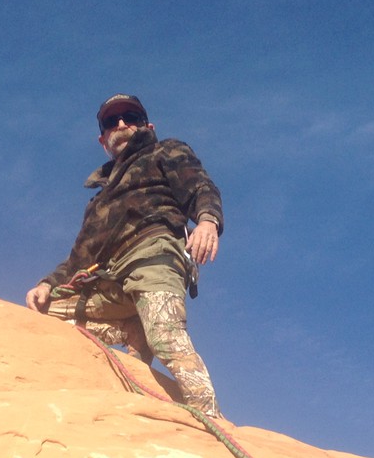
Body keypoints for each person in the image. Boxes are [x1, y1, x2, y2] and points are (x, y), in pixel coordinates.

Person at [25, 93, 224, 417]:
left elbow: (199, 185)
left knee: (166, 336)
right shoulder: (100, 201)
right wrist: (48, 283)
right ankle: (132, 327)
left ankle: (214, 426)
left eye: (130, 117)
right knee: (42, 315)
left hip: (151, 256)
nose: (121, 124)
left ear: (147, 125)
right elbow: (79, 257)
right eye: (111, 121)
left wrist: (207, 221)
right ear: (102, 138)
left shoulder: (165, 151)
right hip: (108, 281)